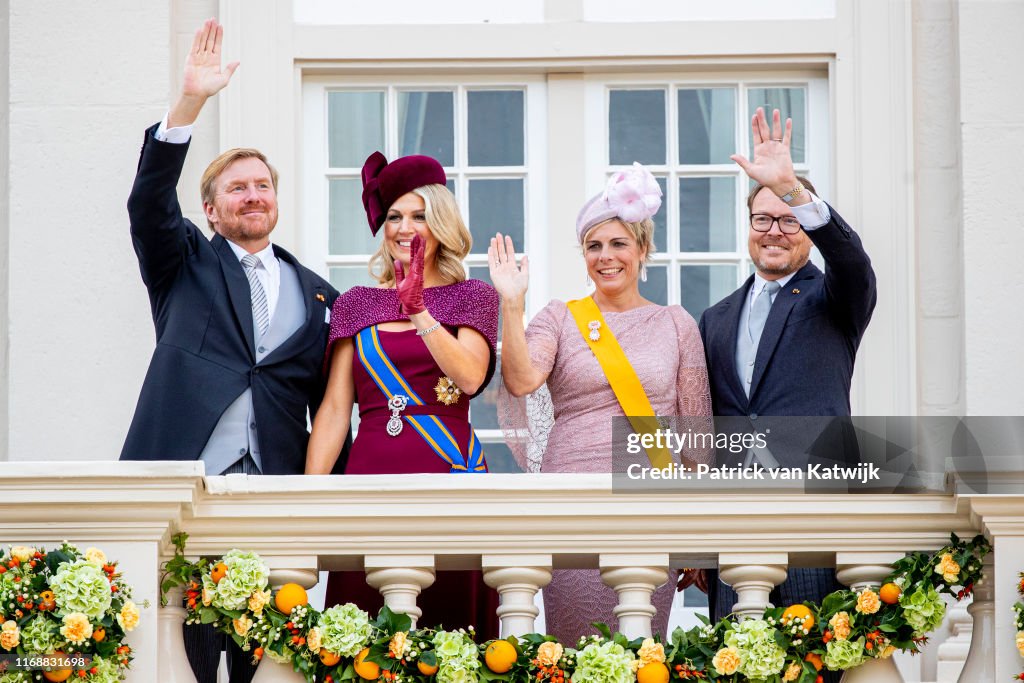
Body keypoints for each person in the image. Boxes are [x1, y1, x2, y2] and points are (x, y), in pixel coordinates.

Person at [119, 19, 342, 682]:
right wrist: (189, 105)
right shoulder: (182, 262)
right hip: (183, 484)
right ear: (212, 211)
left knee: (261, 657)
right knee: (175, 652)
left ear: (276, 201)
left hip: (272, 490)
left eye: (262, 185)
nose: (253, 195)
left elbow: (334, 401)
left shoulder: (321, 295)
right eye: (237, 188)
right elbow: (148, 201)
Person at [489, 162, 713, 644]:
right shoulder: (561, 317)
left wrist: (696, 531)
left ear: (642, 249)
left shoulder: (677, 324)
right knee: (574, 645)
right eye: (594, 246)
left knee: (639, 648)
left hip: (651, 499)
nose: (606, 257)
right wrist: (511, 303)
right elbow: (523, 379)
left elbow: (697, 438)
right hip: (571, 495)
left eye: (618, 244)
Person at [699, 108, 876, 683]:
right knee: (734, 668)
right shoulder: (715, 318)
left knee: (814, 667)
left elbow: (853, 261)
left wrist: (791, 187)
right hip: (732, 524)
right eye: (762, 217)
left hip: (812, 514)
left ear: (805, 224)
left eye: (788, 219)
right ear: (746, 226)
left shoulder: (834, 298)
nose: (774, 230)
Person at [306, 151, 500, 636]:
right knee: (361, 631)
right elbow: (333, 410)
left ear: (441, 225)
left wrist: (419, 311)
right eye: (394, 216)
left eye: (418, 216)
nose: (403, 227)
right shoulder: (357, 303)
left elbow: (471, 378)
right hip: (370, 473)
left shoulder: (472, 295)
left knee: (451, 633)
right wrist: (308, 494)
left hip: (449, 472)